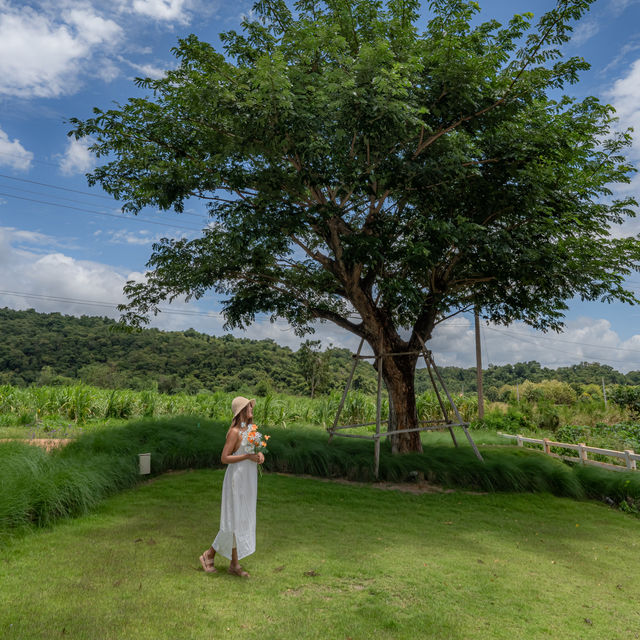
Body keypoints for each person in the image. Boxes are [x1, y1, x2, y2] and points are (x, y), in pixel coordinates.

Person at [199, 396, 264, 577]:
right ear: (242, 410)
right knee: (233, 520)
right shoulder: (235, 432)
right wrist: (246, 457)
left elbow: (254, 451)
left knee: (242, 519)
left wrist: (259, 456)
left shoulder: (251, 430)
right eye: (249, 406)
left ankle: (234, 565)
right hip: (236, 479)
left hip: (249, 479)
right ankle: (208, 555)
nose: (252, 408)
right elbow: (224, 458)